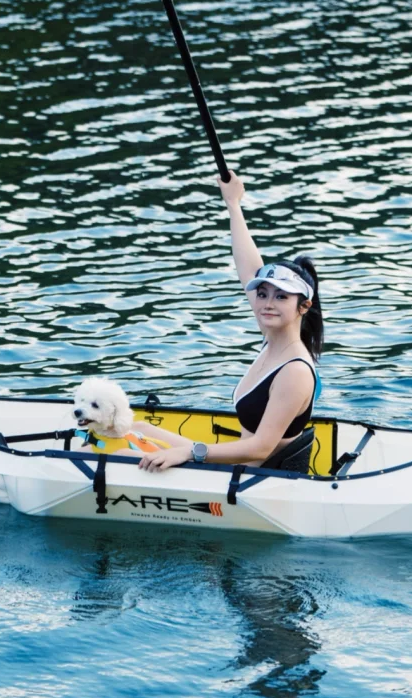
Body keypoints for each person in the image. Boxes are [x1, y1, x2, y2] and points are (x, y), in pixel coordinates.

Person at [136, 170, 322, 474]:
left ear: (303, 306)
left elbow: (261, 447)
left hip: (249, 479)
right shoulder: (272, 333)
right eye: (262, 294)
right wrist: (233, 203)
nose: (267, 304)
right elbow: (248, 268)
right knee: (135, 427)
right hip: (234, 466)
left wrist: (189, 452)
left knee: (125, 448)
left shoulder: (295, 372)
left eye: (281, 297)